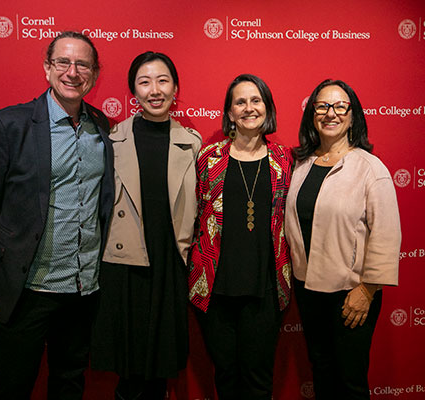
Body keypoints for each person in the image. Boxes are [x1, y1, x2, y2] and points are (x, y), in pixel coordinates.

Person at [0, 31, 114, 400]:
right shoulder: (6, 126)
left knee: (69, 384)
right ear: (47, 68)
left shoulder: (102, 128)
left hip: (82, 290)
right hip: (27, 290)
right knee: (12, 386)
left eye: (82, 64)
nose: (72, 72)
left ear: (94, 73)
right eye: (63, 62)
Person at [90, 51, 202, 400]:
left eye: (162, 80)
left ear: (175, 87)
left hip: (169, 263)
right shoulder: (110, 141)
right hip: (125, 266)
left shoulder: (194, 144)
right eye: (144, 81)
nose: (155, 89)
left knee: (160, 369)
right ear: (133, 93)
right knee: (130, 370)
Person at [285, 79, 401, 400]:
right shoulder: (301, 165)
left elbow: (387, 233)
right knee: (321, 369)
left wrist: (367, 289)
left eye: (340, 106)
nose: (330, 113)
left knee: (350, 379)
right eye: (322, 106)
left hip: (352, 294)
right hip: (308, 289)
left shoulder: (369, 168)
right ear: (311, 114)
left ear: (353, 116)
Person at [188, 74, 292, 400]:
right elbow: (194, 216)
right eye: (240, 102)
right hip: (215, 287)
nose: (249, 108)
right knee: (227, 377)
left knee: (258, 380)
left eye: (256, 100)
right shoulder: (210, 157)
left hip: (265, 288)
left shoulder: (284, 160)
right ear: (230, 112)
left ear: (267, 108)